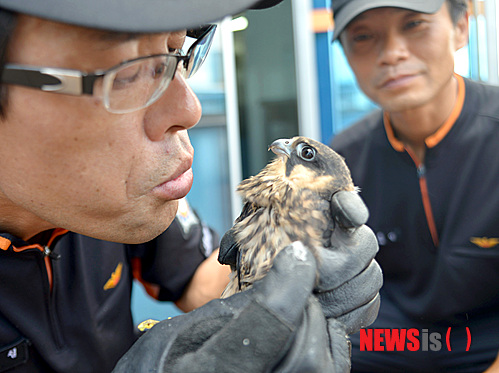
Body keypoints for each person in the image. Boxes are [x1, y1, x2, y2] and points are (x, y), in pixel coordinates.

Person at [0, 0, 382, 371]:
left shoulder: (117, 198)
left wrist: (292, 252)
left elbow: (199, 280)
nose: (190, 109)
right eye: (124, 72)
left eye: (175, 53)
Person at [330, 0, 499, 371]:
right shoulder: (339, 165)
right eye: (363, 36)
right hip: (383, 349)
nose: (392, 54)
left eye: (414, 25)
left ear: (460, 27)